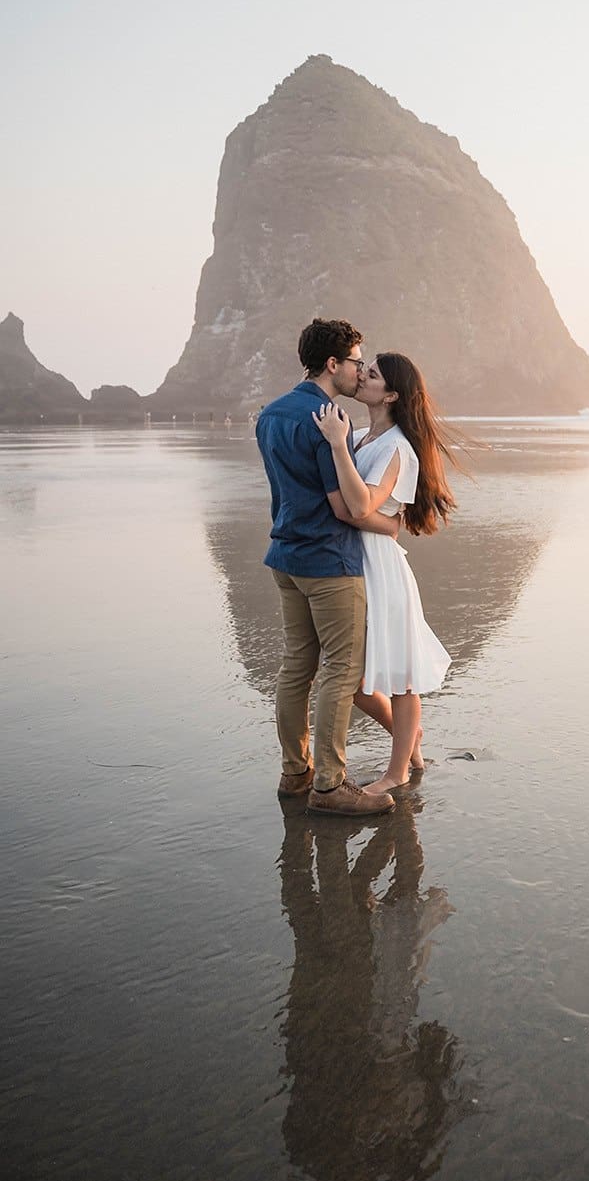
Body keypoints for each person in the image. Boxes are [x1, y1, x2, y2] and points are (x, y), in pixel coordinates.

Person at [255, 317, 401, 818]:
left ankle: (296, 773)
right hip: (328, 561)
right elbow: (345, 508)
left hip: (285, 555)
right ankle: (331, 784)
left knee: (297, 666)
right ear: (333, 363)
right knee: (341, 671)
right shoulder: (326, 419)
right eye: (357, 361)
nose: (361, 371)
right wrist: (388, 523)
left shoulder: (270, 414)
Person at [313, 352, 457, 799]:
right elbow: (358, 511)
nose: (363, 376)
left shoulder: (397, 447)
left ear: (391, 394)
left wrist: (337, 446)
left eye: (372, 374)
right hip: (352, 565)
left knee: (400, 673)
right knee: (352, 680)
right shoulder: (357, 436)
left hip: (382, 571)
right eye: (365, 369)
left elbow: (360, 507)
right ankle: (408, 738)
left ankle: (397, 772)